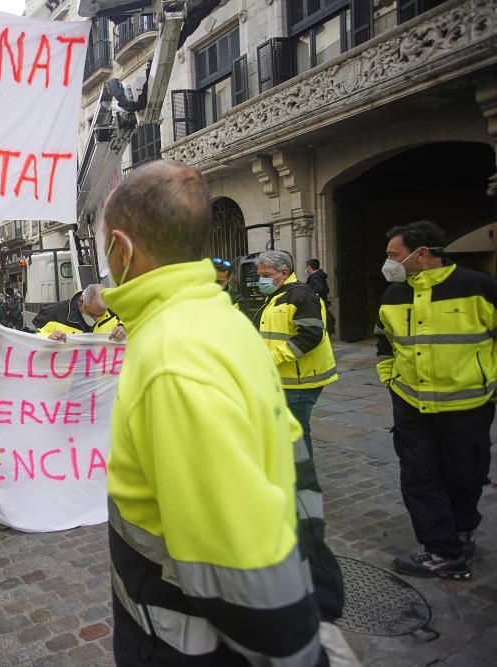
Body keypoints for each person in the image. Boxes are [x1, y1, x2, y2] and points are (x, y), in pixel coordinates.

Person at [101, 160, 333, 665]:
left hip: (187, 643)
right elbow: (293, 462)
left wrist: (301, 652)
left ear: (122, 246)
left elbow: (238, 565)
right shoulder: (223, 320)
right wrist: (319, 576)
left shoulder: (171, 359)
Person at [376, 221, 496, 579]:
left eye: (394, 256)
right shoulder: (394, 295)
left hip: (467, 407)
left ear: (422, 254)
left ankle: (462, 529)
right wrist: (390, 379)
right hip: (411, 405)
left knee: (464, 475)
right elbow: (384, 344)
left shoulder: (478, 287)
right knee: (418, 477)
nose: (388, 263)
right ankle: (440, 549)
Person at [256, 249, 345, 621]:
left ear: (283, 272)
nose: (260, 277)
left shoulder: (301, 294)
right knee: (291, 429)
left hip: (300, 381)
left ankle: (300, 484)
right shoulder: (277, 296)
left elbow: (310, 333)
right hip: (285, 380)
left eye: (264, 272)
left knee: (296, 432)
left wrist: (274, 357)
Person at [33, 283, 125, 341]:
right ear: (81, 302)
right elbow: (30, 339)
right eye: (92, 314)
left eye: (100, 315)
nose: (95, 319)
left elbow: (134, 321)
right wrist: (48, 338)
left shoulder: (114, 311)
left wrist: (123, 327)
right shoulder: (54, 313)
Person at [305, 259, 336, 335]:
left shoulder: (316, 277)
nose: (305, 268)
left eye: (306, 266)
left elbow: (320, 289)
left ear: (309, 267)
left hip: (317, 305)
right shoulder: (317, 276)